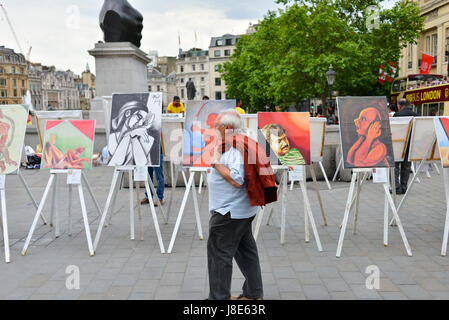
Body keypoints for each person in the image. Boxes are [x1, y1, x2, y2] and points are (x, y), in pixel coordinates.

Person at [207, 109, 277, 300]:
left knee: (219, 255)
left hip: (228, 213)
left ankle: (218, 298)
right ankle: (254, 294)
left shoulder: (235, 149)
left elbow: (237, 179)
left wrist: (215, 163)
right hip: (240, 211)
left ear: (227, 128)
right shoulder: (237, 144)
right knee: (246, 253)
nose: (214, 129)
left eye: (216, 126)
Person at [108, 100, 156, 166]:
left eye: (143, 122)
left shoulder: (144, 139)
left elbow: (142, 164)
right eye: (139, 117)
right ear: (128, 113)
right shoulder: (112, 138)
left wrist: (133, 138)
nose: (140, 123)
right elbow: (116, 162)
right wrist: (129, 135)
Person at [393, 98, 418, 194]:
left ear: (399, 106)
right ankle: (404, 187)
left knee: (395, 167)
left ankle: (396, 188)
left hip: (398, 144)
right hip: (410, 144)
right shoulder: (415, 115)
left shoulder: (397, 115)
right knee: (406, 167)